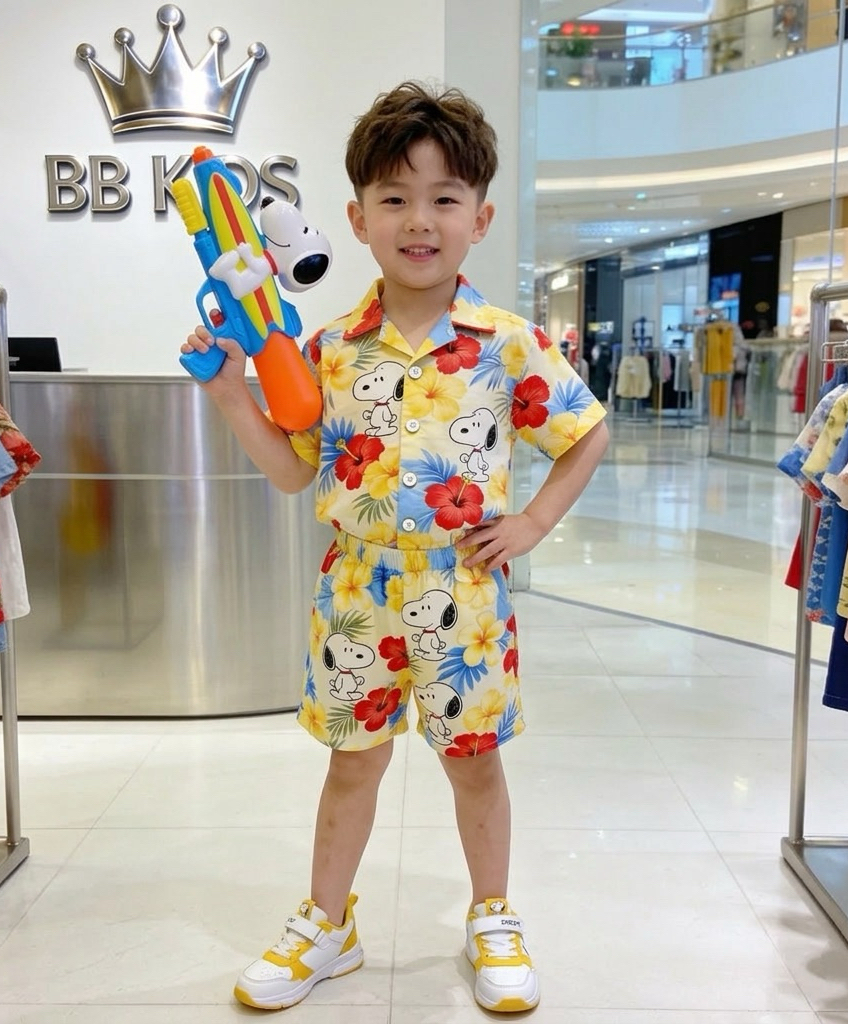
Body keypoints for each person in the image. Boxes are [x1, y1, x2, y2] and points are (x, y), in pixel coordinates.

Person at [181, 81, 609, 1013]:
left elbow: (585, 433)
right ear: (357, 219)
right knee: (352, 764)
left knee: (474, 763)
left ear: (480, 218)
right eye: (395, 198)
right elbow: (294, 471)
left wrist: (533, 524)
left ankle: (492, 914)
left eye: (445, 197)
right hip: (356, 594)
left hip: (468, 593)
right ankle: (327, 925)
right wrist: (230, 395)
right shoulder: (329, 348)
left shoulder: (509, 344)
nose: (420, 220)